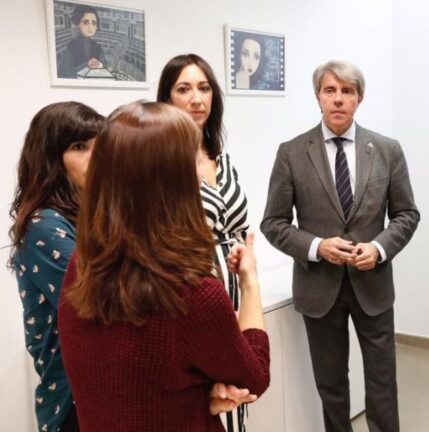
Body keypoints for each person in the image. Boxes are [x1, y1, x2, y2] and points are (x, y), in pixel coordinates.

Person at [57, 101, 270, 432]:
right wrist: (249, 282)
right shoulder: (194, 294)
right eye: (193, 162)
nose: (201, 172)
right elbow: (254, 377)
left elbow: (134, 385)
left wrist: (200, 395)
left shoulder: (82, 265)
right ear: (174, 181)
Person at [261, 60, 420, 432]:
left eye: (347, 91)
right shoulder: (292, 152)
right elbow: (273, 223)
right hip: (319, 286)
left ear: (359, 98)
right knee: (331, 384)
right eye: (330, 90)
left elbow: (406, 215)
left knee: (382, 382)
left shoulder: (386, 149)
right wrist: (317, 246)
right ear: (318, 96)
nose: (338, 99)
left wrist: (378, 249)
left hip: (373, 285)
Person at [157, 53, 251, 431]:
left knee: (238, 394)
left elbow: (241, 226)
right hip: (193, 294)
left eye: (204, 87)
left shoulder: (222, 158)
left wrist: (243, 253)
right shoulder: (161, 164)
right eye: (184, 89)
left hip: (237, 290)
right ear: (166, 99)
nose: (197, 99)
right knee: (206, 404)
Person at [9, 101, 104, 432]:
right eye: (79, 147)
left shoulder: (92, 214)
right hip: (72, 402)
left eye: (99, 145)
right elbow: (104, 298)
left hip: (100, 391)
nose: (95, 157)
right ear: (50, 157)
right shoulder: (44, 226)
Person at [57, 5, 107, 79]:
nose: (90, 27)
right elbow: (62, 73)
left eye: (94, 23)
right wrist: (87, 64)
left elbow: (105, 71)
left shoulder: (98, 48)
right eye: (86, 22)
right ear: (78, 24)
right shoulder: (71, 46)